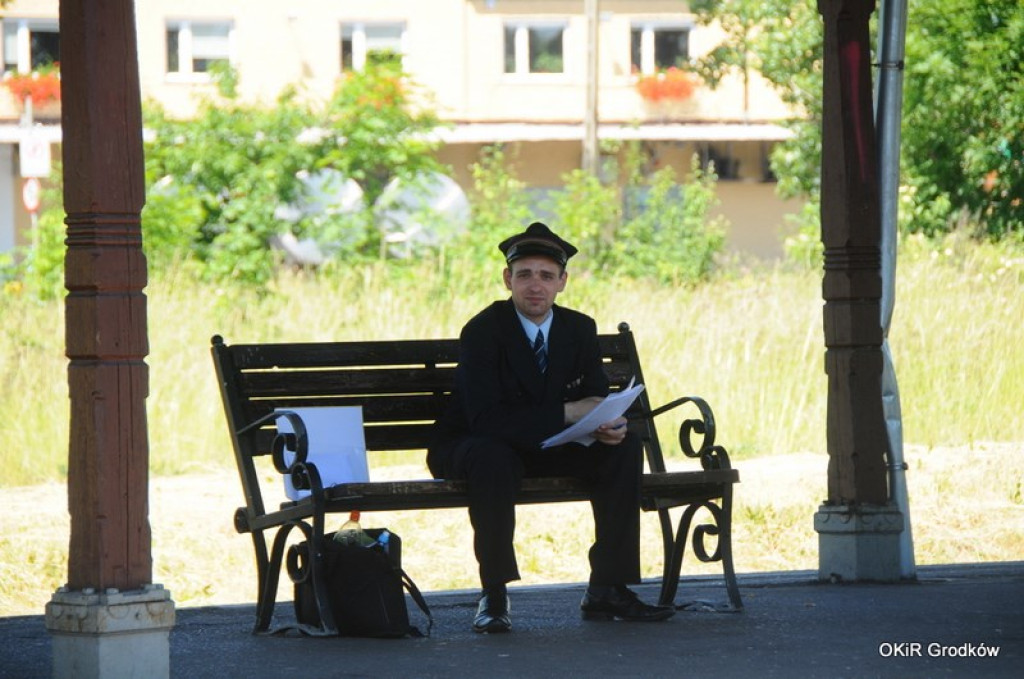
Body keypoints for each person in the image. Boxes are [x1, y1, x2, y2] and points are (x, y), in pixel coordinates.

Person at [428, 221, 675, 633]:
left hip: (548, 444)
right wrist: (568, 412)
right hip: (474, 444)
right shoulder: (484, 330)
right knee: (493, 459)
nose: (535, 286)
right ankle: (494, 592)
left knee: (624, 447)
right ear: (507, 279)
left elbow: (594, 398)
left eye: (546, 276)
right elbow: (486, 420)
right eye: (524, 275)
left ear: (562, 281)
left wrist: (607, 424)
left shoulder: (578, 328)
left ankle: (608, 588)